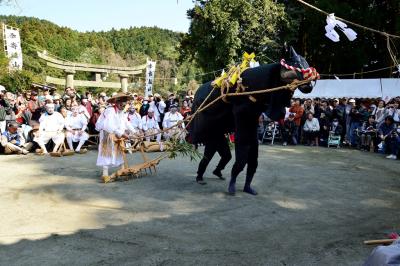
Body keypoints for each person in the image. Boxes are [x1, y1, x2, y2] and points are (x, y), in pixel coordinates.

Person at [95, 93, 135, 182]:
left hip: (116, 133)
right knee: (107, 152)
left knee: (119, 150)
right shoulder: (110, 110)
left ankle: (122, 169)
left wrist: (135, 132)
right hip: (107, 133)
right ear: (116, 102)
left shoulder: (121, 111)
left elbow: (125, 122)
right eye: (121, 102)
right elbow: (109, 125)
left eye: (125, 102)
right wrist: (122, 133)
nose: (123, 105)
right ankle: (105, 173)